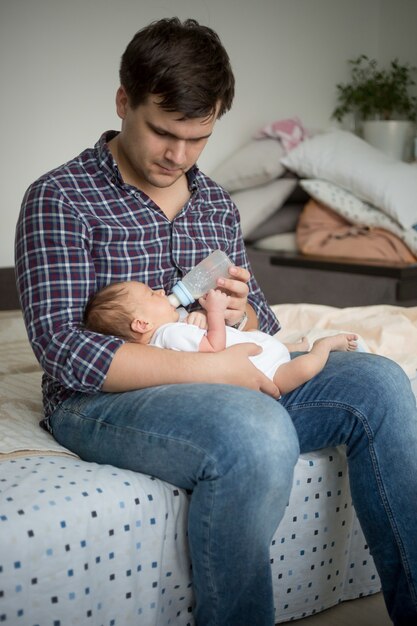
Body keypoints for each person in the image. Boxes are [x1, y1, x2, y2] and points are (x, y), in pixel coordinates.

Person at [15, 17, 417, 626]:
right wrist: (216, 369)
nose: (178, 155)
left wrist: (240, 313)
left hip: (224, 371)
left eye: (198, 137)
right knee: (256, 430)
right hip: (104, 400)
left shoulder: (217, 205)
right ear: (124, 102)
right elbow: (65, 351)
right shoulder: (60, 197)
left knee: (381, 384)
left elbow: (263, 317)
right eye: (162, 132)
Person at [84, 280, 359, 395]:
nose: (159, 290)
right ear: (142, 324)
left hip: (256, 352)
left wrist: (199, 317)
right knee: (307, 368)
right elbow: (215, 345)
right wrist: (213, 311)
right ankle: (324, 346)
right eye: (150, 294)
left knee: (251, 336)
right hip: (269, 372)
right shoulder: (169, 332)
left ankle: (293, 346)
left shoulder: (169, 331)